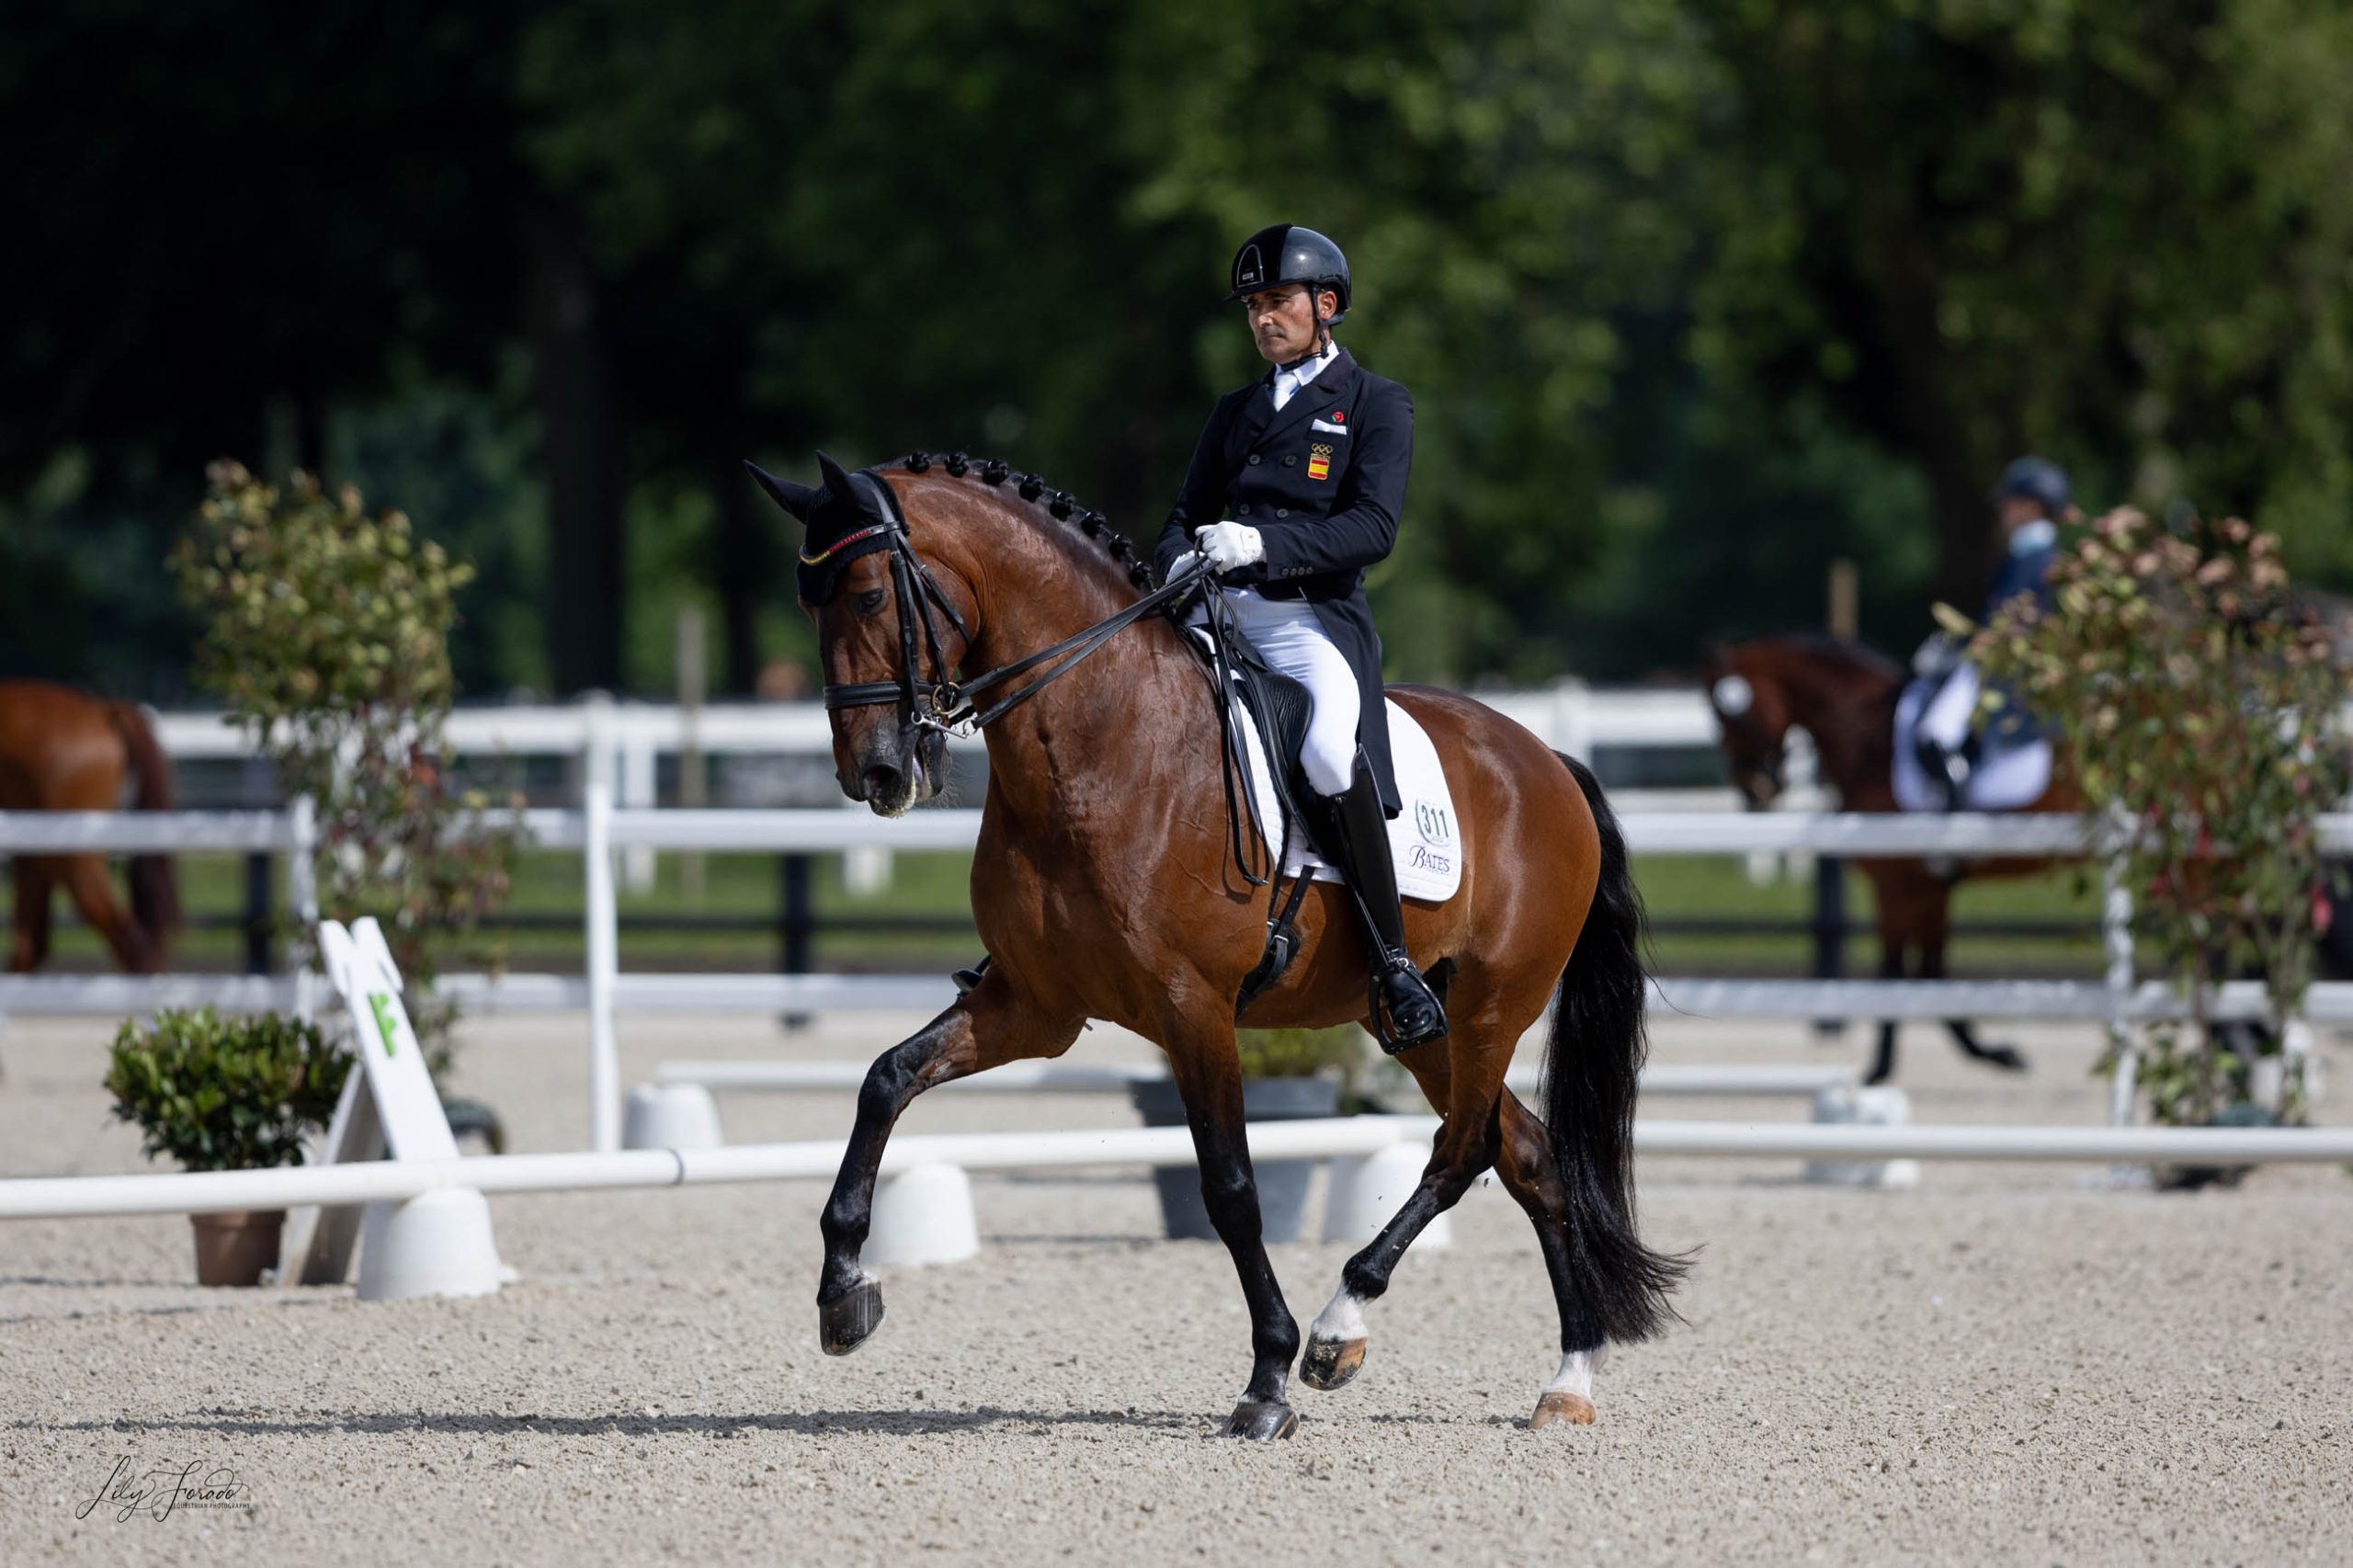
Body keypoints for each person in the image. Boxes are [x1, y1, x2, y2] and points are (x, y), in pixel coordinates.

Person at [1149, 223, 1445, 1051]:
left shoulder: (1374, 403)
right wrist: (1176, 564)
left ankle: (1394, 965)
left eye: (1277, 301)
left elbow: (1373, 528)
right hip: (1215, 612)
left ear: (1325, 306)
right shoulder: (1234, 411)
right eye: (1254, 306)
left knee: (1322, 750)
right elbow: (1182, 514)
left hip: (1305, 622)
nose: (1263, 319)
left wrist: (1265, 545)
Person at [1912, 456, 2071, 808]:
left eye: (2009, 503)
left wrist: (1968, 646)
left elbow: (2006, 624)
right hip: (2006, 663)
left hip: (2000, 669)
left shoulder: (2037, 560)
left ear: (2031, 507)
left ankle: (1953, 825)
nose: (2003, 512)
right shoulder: (2034, 557)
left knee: (1935, 732)